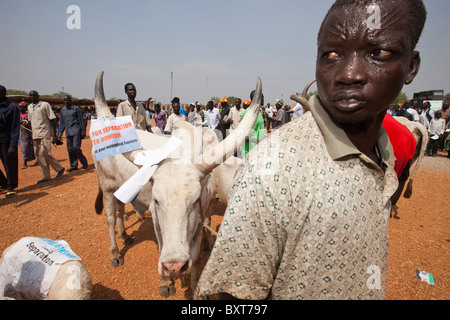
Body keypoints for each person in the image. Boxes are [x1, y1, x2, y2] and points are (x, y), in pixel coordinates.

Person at [196, 0, 426, 300]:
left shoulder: (384, 150)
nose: (349, 74)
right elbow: (232, 300)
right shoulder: (271, 171)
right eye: (331, 55)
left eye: (378, 53)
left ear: (411, 67)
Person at [27, 90, 65, 184]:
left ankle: (59, 169)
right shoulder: (29, 107)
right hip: (35, 134)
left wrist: (54, 135)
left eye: (34, 95)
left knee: (45, 153)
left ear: (38, 96)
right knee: (38, 155)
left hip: (44, 133)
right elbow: (30, 120)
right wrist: (24, 123)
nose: (32, 97)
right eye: (30, 96)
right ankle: (46, 175)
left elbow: (52, 120)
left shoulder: (45, 105)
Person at [382, 114, 416, 208]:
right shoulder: (409, 135)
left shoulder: (365, 124)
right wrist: (391, 202)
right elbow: (403, 177)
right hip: (390, 190)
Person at [58, 95, 88, 172]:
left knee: (76, 148)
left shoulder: (76, 109)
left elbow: (81, 120)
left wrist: (83, 131)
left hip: (76, 131)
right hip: (68, 132)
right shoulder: (63, 110)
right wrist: (60, 133)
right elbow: (62, 123)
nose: (66, 102)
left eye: (67, 100)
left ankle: (84, 162)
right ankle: (73, 166)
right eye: (64, 101)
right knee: (70, 149)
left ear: (70, 101)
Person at [0, 85, 20, 198]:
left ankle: (10, 186)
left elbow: (14, 128)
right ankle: (2, 182)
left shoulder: (11, 107)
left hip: (6, 140)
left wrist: (12, 145)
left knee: (9, 164)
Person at [18, 101, 36, 169]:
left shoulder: (28, 115)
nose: (20, 109)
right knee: (23, 148)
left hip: (29, 133)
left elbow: (31, 122)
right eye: (19, 107)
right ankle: (25, 162)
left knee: (33, 147)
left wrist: (25, 122)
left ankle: (37, 159)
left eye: (21, 107)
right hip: (21, 135)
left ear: (25, 107)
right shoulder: (18, 116)